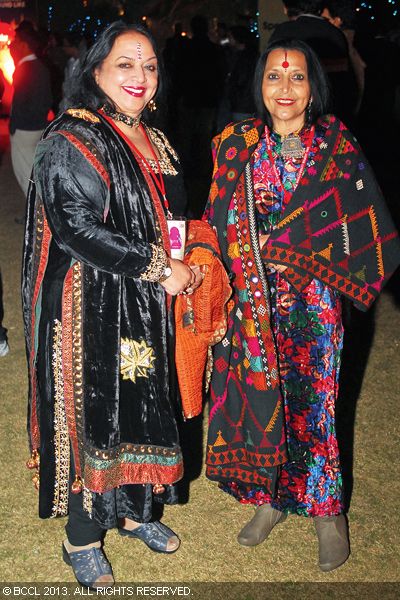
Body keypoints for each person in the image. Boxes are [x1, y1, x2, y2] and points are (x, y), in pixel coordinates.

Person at [203, 39, 400, 572]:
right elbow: (214, 219)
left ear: (313, 86)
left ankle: (327, 512)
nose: (284, 89)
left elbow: (366, 225)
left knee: (315, 409)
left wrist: (311, 257)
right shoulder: (236, 144)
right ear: (258, 85)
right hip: (253, 305)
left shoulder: (336, 147)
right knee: (263, 401)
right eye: (273, 77)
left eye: (296, 78)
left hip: (314, 306)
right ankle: (270, 500)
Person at [22, 21, 202, 588]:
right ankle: (81, 536)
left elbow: (169, 217)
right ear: (94, 70)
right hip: (88, 308)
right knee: (94, 417)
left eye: (149, 66)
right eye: (125, 63)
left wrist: (194, 255)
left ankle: (131, 510)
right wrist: (159, 267)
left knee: (143, 405)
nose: (140, 76)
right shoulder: (71, 139)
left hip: (146, 307)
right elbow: (76, 229)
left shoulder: (156, 136)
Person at [269, 1, 357, 123]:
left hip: (295, 114)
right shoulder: (335, 33)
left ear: (286, 8)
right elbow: (344, 79)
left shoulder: (283, 32)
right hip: (332, 112)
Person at [8, 25, 52, 198]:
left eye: (16, 42)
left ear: (25, 45)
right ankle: (38, 212)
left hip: (24, 130)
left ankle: (35, 216)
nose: (12, 45)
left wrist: (16, 125)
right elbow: (47, 99)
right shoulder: (40, 67)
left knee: (25, 173)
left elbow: (21, 103)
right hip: (37, 127)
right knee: (34, 171)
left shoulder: (25, 69)